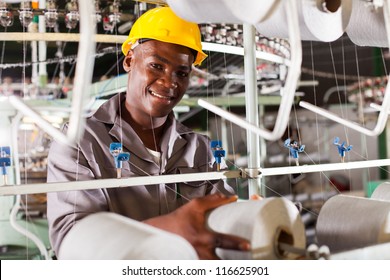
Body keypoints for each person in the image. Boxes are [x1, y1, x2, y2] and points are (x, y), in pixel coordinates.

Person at [46, 7, 250, 260]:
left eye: (182, 73)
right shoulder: (79, 141)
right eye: (156, 66)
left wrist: (245, 215)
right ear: (130, 61)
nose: (169, 82)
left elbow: (219, 216)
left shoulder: (199, 148)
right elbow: (70, 239)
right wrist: (166, 230)